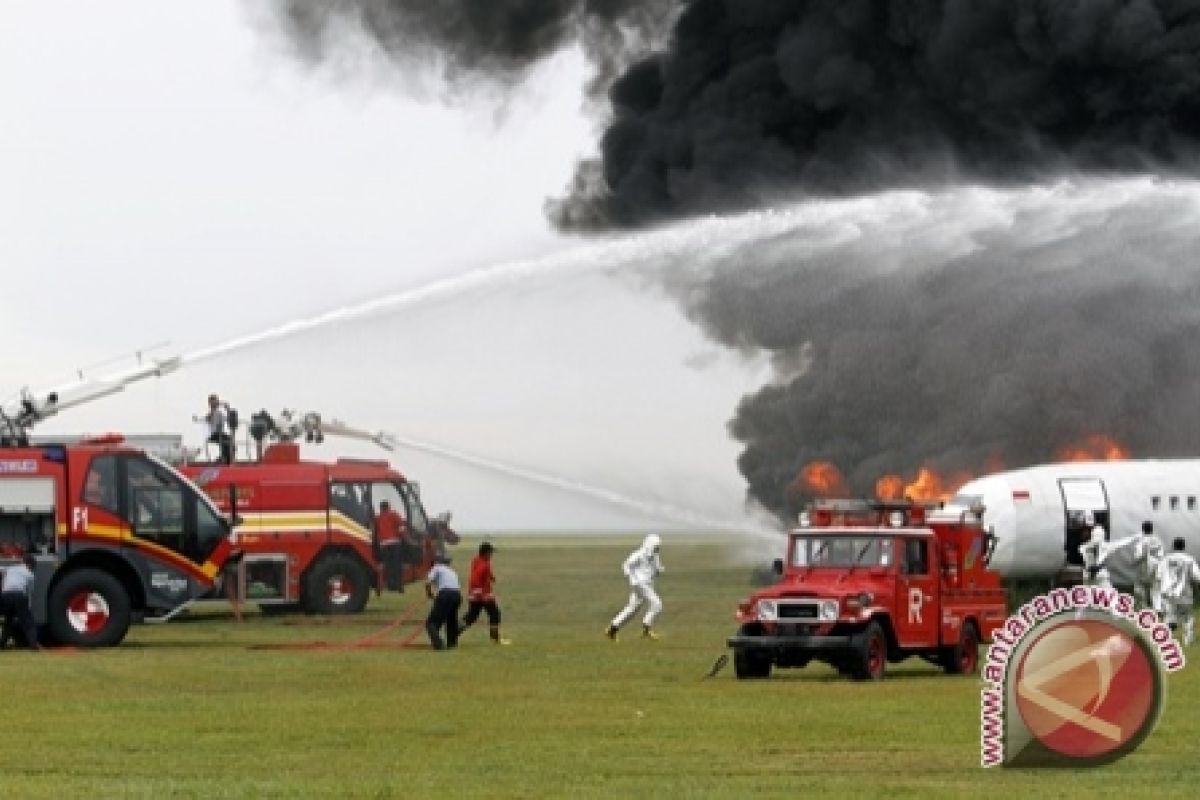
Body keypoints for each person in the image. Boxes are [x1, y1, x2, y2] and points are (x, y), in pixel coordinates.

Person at [606, 533, 665, 641]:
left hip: (647, 584)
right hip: (641, 584)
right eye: (656, 546)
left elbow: (656, 568)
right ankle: (646, 628)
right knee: (657, 604)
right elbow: (626, 564)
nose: (657, 549)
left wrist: (659, 569)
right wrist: (631, 576)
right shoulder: (639, 554)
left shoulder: (654, 556)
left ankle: (612, 629)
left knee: (632, 609)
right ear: (650, 545)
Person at [460, 541, 510, 645]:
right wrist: (481, 594)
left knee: (471, 617)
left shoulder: (478, 560)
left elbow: (484, 571)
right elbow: (475, 579)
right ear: (486, 553)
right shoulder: (483, 564)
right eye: (491, 552)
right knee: (495, 614)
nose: (492, 555)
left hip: (475, 594)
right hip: (482, 594)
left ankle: (453, 632)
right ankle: (495, 639)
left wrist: (492, 577)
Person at [1157, 538, 1200, 646]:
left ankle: (1167, 642)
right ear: (1183, 546)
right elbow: (1197, 577)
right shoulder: (1189, 559)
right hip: (1184, 593)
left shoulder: (1165, 560)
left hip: (1167, 593)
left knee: (1169, 616)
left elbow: (1158, 576)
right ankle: (1188, 640)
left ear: (1173, 546)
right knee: (1187, 616)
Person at [0, 554, 42, 651]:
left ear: (23, 562)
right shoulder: (30, 575)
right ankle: (33, 645)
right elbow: (30, 592)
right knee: (28, 623)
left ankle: (2, 643)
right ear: (31, 565)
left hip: (5, 596)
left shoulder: (11, 569)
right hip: (19, 596)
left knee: (8, 620)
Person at [425, 555, 462, 651]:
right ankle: (452, 643)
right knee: (451, 621)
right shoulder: (452, 571)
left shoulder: (436, 567)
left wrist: (429, 593)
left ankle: (439, 644)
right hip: (457, 595)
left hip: (445, 594)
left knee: (431, 623)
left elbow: (428, 582)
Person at [1131, 521, 1165, 612]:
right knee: (1156, 589)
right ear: (1152, 529)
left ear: (1143, 529)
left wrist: (1134, 563)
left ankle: (1143, 609)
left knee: (1140, 587)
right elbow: (1161, 556)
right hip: (1156, 567)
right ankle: (1158, 609)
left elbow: (1138, 557)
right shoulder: (1158, 541)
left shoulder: (1140, 542)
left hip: (1143, 567)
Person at [375, 500, 406, 593]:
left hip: (384, 544)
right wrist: (403, 537)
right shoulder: (394, 514)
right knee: (396, 564)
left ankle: (388, 584)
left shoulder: (378, 517)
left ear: (381, 508)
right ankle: (398, 585)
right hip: (395, 543)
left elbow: (376, 531)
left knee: (387, 565)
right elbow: (401, 527)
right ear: (388, 506)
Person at [1077, 512, 1114, 588]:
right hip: (1090, 571)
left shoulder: (1097, 531)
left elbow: (1098, 546)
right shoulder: (1086, 535)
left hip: (1098, 572)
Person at [199, 394, 234, 465]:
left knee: (230, 442)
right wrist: (213, 408)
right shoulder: (210, 413)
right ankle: (224, 459)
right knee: (225, 440)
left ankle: (227, 460)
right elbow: (208, 418)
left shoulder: (219, 413)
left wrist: (227, 409)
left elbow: (228, 419)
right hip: (213, 434)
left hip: (220, 433)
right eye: (213, 401)